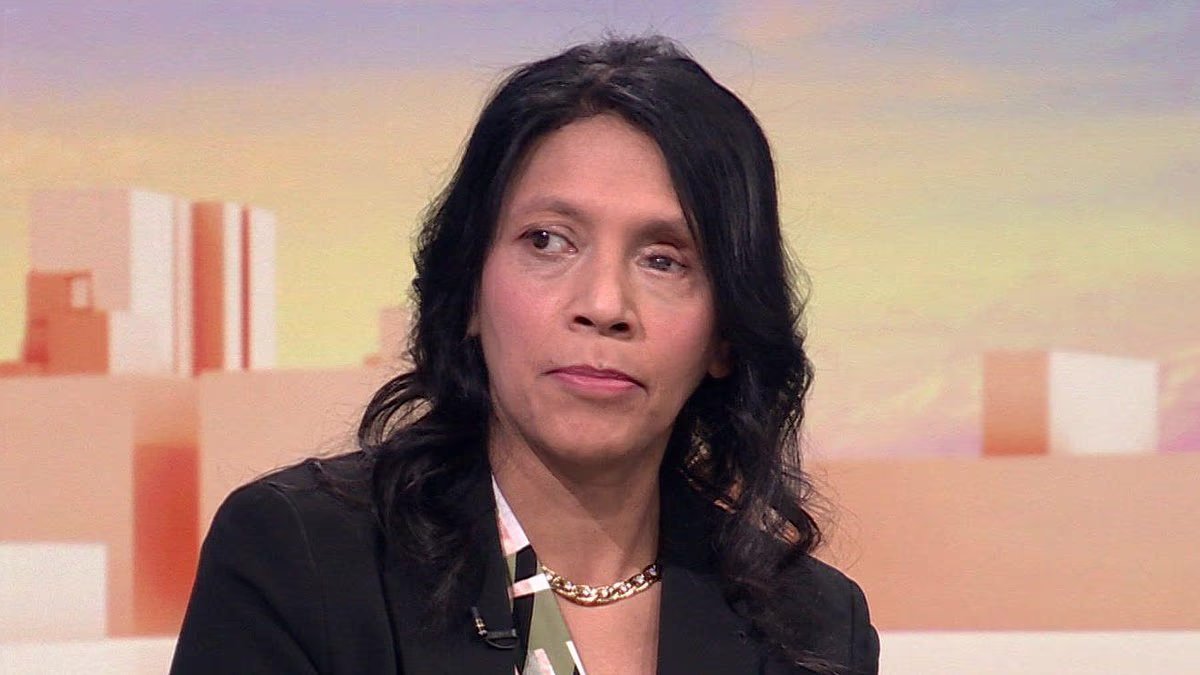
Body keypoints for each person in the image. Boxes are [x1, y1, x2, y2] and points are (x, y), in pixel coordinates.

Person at [170, 35, 879, 675]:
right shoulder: (303, 561)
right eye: (548, 241)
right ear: (470, 291)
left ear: (726, 333)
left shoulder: (814, 627)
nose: (603, 303)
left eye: (664, 259)